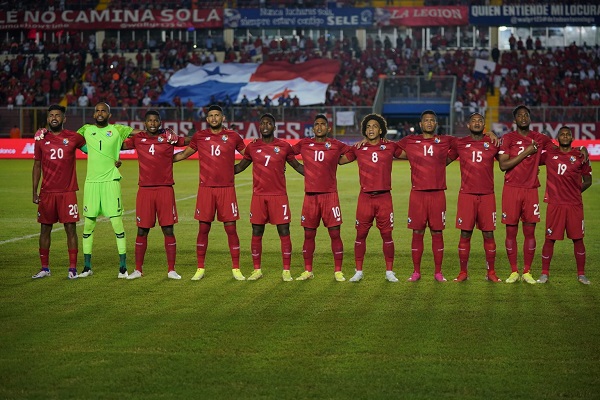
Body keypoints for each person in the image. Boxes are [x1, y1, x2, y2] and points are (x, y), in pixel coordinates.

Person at [173, 105, 246, 281]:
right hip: (205, 189)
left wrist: (234, 170)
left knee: (231, 229)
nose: (214, 118)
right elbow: (183, 155)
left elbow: (249, 155)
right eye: (211, 116)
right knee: (203, 228)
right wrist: (161, 159)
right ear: (207, 119)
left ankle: (236, 268)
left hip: (226, 189)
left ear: (223, 117)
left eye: (217, 115)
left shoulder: (233, 136)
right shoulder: (200, 136)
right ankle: (200, 268)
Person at [75, 103, 145, 278]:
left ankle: (122, 268)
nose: (100, 113)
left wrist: (158, 132)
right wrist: (43, 133)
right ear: (93, 114)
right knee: (88, 225)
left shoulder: (118, 130)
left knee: (117, 224)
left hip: (110, 182)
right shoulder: (85, 129)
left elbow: (141, 134)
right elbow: (68, 140)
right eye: (97, 110)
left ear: (109, 114)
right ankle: (87, 267)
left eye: (103, 111)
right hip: (91, 183)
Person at [234, 113, 304, 281]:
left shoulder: (284, 146)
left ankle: (286, 270)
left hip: (279, 196)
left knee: (284, 231)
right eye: (262, 123)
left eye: (268, 123)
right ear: (259, 126)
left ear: (274, 127)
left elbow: (298, 166)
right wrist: (220, 169)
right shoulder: (252, 147)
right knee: (257, 231)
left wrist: (319, 172)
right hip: (258, 196)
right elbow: (240, 167)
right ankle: (257, 270)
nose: (265, 125)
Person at [122, 110, 188, 280]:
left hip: (165, 189)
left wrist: (180, 154)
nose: (152, 123)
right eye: (149, 121)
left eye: (155, 120)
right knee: (142, 230)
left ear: (160, 122)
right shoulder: (138, 138)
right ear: (145, 123)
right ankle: (138, 269)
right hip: (145, 190)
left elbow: (189, 142)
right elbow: (118, 144)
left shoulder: (168, 137)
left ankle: (171, 270)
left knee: (168, 229)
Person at [339, 113, 403, 282]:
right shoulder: (358, 148)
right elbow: (341, 160)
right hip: (365, 198)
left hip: (384, 198)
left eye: (374, 126)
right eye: (368, 127)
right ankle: (358, 271)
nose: (371, 129)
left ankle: (389, 271)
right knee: (360, 235)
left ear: (381, 129)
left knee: (387, 235)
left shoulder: (390, 146)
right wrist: (350, 146)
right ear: (364, 130)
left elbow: (411, 155)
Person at [498, 105, 556, 284]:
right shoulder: (508, 138)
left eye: (526, 115)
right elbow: (503, 165)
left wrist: (581, 151)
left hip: (531, 190)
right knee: (511, 232)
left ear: (530, 119)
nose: (523, 117)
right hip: (511, 189)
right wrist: (527, 152)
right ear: (514, 120)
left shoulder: (540, 138)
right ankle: (514, 271)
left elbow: (558, 151)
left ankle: (527, 272)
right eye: (519, 115)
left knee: (530, 232)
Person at [397, 110, 457, 282]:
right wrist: (412, 158)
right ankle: (416, 272)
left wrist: (446, 160)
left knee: (437, 232)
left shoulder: (445, 140)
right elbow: (392, 149)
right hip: (418, 194)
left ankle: (438, 272)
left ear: (436, 124)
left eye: (432, 120)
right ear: (421, 124)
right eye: (426, 120)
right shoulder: (410, 140)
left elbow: (463, 145)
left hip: (438, 194)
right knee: (417, 232)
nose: (429, 123)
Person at [292, 114, 350, 282]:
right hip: (310, 197)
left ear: (328, 128)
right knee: (308, 235)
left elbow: (353, 153)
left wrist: (340, 161)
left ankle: (338, 271)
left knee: (335, 233)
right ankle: (308, 270)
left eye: (322, 124)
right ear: (313, 128)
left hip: (330, 196)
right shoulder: (305, 144)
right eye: (316, 124)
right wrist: (301, 169)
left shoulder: (336, 145)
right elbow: (288, 154)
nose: (319, 127)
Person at [31, 105, 86, 279]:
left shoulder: (74, 137)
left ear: (64, 119)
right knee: (45, 229)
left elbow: (93, 150)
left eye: (57, 115)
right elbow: (37, 165)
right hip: (47, 192)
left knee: (71, 229)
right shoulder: (41, 138)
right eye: (51, 116)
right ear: (47, 119)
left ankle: (72, 269)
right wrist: (34, 191)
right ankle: (44, 268)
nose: (54, 118)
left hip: (68, 192)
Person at [537, 126, 592, 284]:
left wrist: (575, 192)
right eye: (562, 134)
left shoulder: (580, 155)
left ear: (572, 138)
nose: (565, 136)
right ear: (558, 137)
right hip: (555, 204)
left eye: (568, 134)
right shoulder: (549, 154)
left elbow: (587, 180)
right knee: (549, 239)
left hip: (574, 205)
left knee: (578, 239)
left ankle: (581, 274)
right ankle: (544, 274)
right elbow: (533, 160)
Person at [451, 112, 502, 282]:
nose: (477, 123)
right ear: (468, 125)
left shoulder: (493, 143)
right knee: (465, 234)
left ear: (484, 125)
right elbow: (442, 157)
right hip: (467, 195)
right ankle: (463, 272)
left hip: (487, 195)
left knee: (489, 234)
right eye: (473, 121)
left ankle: (491, 272)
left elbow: (507, 158)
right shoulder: (460, 143)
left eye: (480, 121)